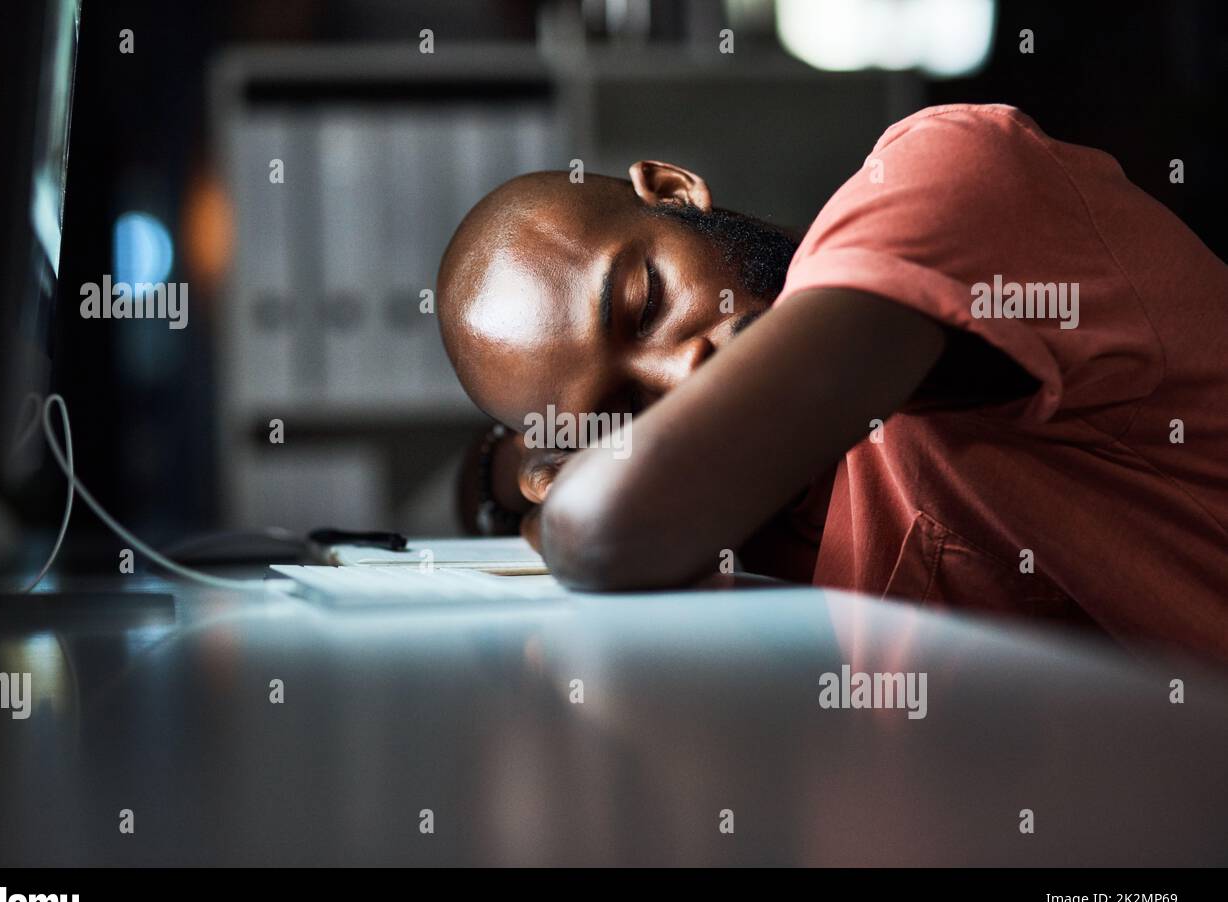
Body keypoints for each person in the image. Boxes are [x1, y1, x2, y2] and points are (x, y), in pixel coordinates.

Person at [438, 104, 1228, 658]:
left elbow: (602, 526)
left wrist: (541, 476)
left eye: (646, 304)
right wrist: (512, 469)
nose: (683, 371)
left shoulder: (944, 173)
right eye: (621, 410)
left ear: (675, 193)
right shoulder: (757, 507)